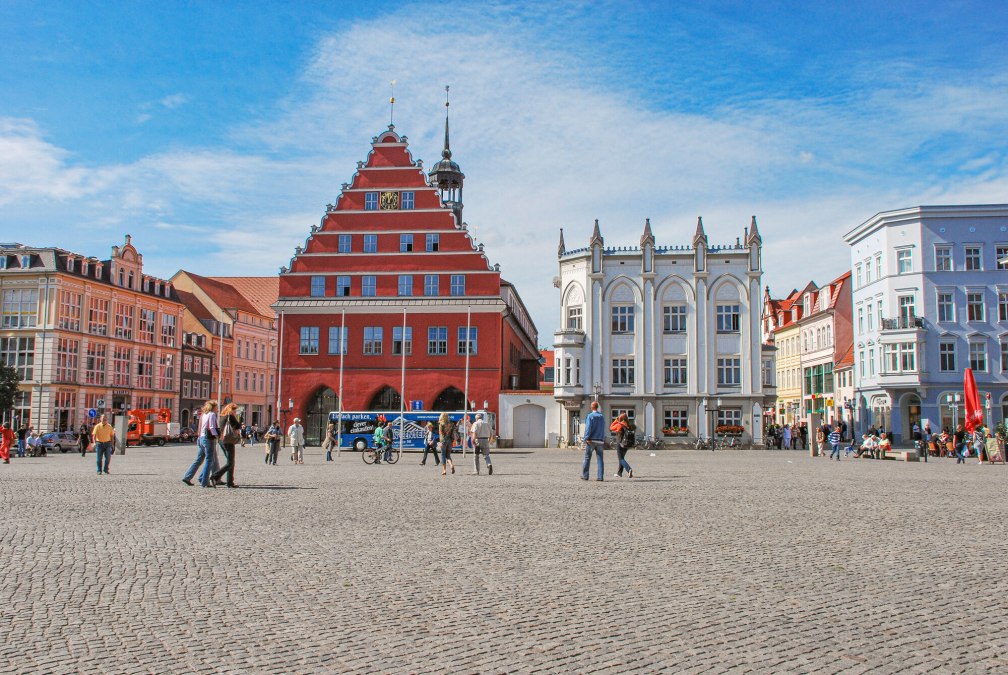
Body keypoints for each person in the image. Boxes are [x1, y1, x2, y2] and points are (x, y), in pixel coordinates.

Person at [183, 400, 220, 488]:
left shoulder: (203, 415)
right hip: (208, 439)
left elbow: (200, 427)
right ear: (213, 407)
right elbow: (211, 427)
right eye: (217, 407)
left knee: (199, 459)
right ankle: (205, 481)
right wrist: (217, 436)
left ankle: (187, 477)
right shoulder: (211, 414)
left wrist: (198, 437)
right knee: (209, 460)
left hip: (201, 438)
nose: (217, 409)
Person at [212, 403, 241, 488]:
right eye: (234, 410)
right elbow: (238, 426)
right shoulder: (230, 416)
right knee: (230, 462)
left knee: (230, 461)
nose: (235, 412)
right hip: (228, 440)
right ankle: (215, 476)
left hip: (222, 440)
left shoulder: (222, 416)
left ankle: (230, 482)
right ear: (231, 409)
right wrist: (236, 418)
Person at [581, 400, 605, 481]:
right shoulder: (602, 416)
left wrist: (586, 438)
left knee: (587, 458)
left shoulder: (590, 416)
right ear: (597, 407)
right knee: (600, 459)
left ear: (591, 407)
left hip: (591, 440)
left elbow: (588, 428)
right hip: (600, 440)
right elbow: (602, 428)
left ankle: (585, 475)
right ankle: (600, 477)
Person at [611, 412, 634, 478]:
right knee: (622, 458)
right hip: (626, 444)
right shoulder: (628, 425)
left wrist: (616, 420)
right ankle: (619, 473)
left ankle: (629, 469)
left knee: (621, 459)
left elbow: (611, 427)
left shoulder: (619, 425)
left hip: (620, 443)